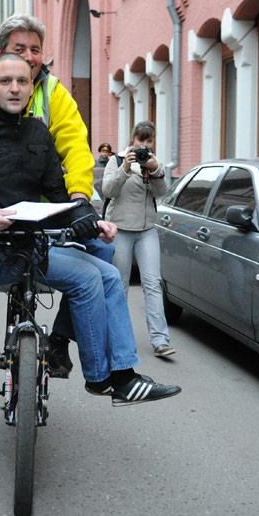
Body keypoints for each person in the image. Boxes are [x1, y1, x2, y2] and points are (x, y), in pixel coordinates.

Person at [0, 53, 180, 406]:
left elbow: (59, 195)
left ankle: (122, 375)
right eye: (5, 81)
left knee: (109, 274)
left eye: (22, 81)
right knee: (89, 279)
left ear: (31, 88)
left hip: (31, 249)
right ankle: (102, 378)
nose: (14, 88)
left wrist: (91, 219)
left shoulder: (39, 133)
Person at [0, 13, 115, 380]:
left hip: (43, 214)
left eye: (35, 50)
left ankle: (62, 338)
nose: (30, 57)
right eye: (20, 49)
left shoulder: (54, 93)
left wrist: (81, 199)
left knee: (103, 250)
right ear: (0, 56)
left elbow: (77, 151)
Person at [101, 121, 175, 358]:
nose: (144, 144)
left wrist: (155, 171)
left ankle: (160, 341)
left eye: (149, 140)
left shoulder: (153, 163)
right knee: (120, 285)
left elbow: (162, 192)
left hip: (146, 231)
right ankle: (117, 340)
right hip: (120, 229)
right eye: (140, 139)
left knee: (153, 283)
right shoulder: (116, 160)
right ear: (132, 139)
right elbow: (108, 191)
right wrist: (125, 168)